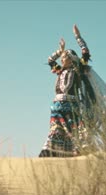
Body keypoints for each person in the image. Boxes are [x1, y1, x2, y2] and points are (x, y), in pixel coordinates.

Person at [39, 25, 92, 157]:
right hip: (57, 106)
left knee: (74, 131)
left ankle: (77, 153)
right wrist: (59, 50)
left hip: (72, 106)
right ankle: (51, 154)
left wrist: (78, 37)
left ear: (72, 58)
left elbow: (85, 53)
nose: (62, 59)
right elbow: (50, 60)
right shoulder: (59, 70)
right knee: (55, 130)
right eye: (62, 57)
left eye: (65, 56)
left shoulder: (78, 70)